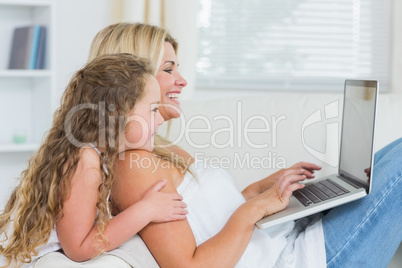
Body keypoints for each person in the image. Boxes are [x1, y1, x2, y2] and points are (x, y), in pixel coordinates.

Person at [89, 23, 402, 267]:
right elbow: (190, 265)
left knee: (385, 159)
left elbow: (207, 221)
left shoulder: (155, 149)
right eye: (169, 69)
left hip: (291, 244)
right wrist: (257, 207)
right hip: (302, 260)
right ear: (130, 81)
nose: (182, 80)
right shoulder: (132, 167)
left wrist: (266, 189)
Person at [0, 53, 188, 268]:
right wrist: (146, 210)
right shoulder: (85, 161)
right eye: (154, 109)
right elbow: (78, 248)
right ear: (119, 115)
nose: (161, 118)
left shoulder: (95, 155)